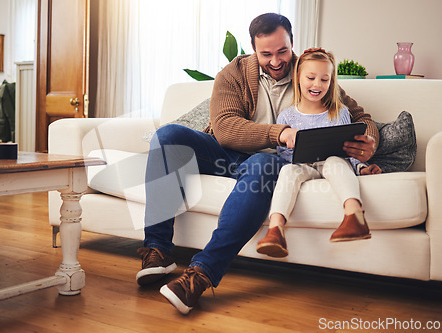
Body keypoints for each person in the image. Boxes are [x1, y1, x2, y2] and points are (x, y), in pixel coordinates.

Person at [136, 13, 380, 315]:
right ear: (253, 48)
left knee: (263, 163)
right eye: (266, 54)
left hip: (269, 161)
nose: (276, 61)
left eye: (282, 51)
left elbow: (361, 118)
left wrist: (369, 142)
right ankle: (158, 250)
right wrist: (280, 132)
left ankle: (199, 276)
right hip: (227, 152)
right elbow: (224, 128)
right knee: (168, 135)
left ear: (292, 43)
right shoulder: (234, 73)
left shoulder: (310, 73)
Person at [256, 48, 382, 258]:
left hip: (332, 163)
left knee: (334, 160)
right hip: (302, 165)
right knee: (288, 172)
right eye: (311, 78)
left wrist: (361, 167)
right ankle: (275, 231)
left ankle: (355, 216)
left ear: (331, 82)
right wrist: (294, 148)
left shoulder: (340, 111)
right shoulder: (287, 115)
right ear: (298, 78)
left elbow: (349, 151)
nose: (317, 85)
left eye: (324, 80)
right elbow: (282, 154)